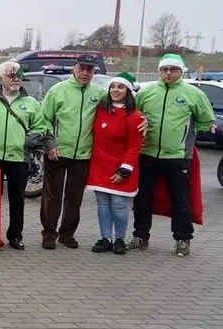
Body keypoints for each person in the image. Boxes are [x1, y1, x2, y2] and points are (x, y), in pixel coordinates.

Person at [129, 54, 215, 256]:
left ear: (181, 71)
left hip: (177, 156)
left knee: (180, 200)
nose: (168, 73)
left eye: (173, 69)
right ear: (159, 71)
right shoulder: (147, 93)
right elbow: (133, 119)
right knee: (142, 198)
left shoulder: (193, 94)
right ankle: (140, 236)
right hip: (147, 154)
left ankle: (183, 239)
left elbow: (205, 120)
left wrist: (186, 137)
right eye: (164, 69)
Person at [39, 54, 105, 249]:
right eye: (81, 68)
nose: (85, 73)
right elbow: (44, 120)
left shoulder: (100, 93)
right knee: (52, 196)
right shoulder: (58, 91)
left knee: (74, 197)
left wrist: (141, 118)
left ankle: (67, 234)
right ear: (74, 69)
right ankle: (49, 233)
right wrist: (50, 144)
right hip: (57, 152)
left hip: (83, 154)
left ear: (94, 71)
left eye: (90, 70)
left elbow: (120, 110)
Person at [0, 62, 49, 251]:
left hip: (19, 158)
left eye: (19, 75)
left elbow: (41, 127)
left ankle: (15, 235)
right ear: (0, 78)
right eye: (11, 75)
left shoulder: (31, 103)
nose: (16, 79)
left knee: (17, 199)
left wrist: (26, 141)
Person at [87, 73, 145, 255]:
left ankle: (119, 238)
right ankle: (105, 238)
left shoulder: (134, 117)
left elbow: (134, 147)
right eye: (113, 86)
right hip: (100, 166)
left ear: (128, 91)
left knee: (119, 205)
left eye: (121, 87)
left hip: (121, 168)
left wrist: (124, 170)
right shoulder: (100, 110)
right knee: (103, 205)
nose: (116, 90)